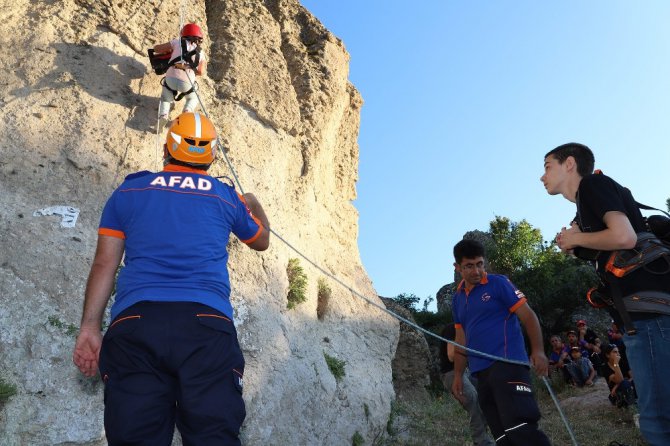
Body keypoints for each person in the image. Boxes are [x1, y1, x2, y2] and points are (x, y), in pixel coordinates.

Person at [72, 112, 270, 445]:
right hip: (207, 326)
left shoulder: (130, 190)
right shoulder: (224, 196)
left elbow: (105, 264)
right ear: (210, 156)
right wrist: (251, 202)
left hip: (136, 323)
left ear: (167, 149)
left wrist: (90, 328)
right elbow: (261, 240)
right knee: (213, 437)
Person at [541, 142, 670, 445]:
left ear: (569, 163)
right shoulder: (589, 202)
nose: (542, 175)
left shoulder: (592, 185)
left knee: (656, 417)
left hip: (648, 316)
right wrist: (576, 243)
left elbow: (623, 237)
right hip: (649, 314)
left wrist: (577, 237)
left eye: (548, 166)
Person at [450, 239, 551, 446]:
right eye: (469, 266)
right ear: (458, 267)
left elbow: (528, 316)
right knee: (503, 437)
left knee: (520, 429)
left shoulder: (499, 283)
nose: (477, 271)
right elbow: (461, 339)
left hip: (508, 364)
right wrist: (459, 375)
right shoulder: (457, 299)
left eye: (480, 264)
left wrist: (538, 351)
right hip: (480, 374)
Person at [439, 323, 495, 446]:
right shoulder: (452, 328)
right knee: (473, 401)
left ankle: (483, 438)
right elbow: (452, 356)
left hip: (465, 371)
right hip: (451, 373)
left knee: (485, 399)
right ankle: (481, 442)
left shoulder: (468, 331)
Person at [153, 23, 207, 128]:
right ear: (199, 38)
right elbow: (201, 72)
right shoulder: (201, 53)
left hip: (171, 78)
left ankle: (163, 115)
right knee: (192, 98)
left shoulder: (176, 42)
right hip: (187, 83)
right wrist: (188, 68)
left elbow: (157, 49)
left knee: (165, 98)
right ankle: (187, 111)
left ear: (184, 34)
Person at [602, 344, 637, 408]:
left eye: (618, 352)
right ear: (607, 355)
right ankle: (630, 404)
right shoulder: (605, 367)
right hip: (618, 392)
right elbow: (619, 380)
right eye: (615, 352)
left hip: (628, 385)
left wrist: (617, 385)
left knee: (636, 381)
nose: (618, 354)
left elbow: (633, 376)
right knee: (624, 384)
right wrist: (616, 364)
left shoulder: (622, 361)